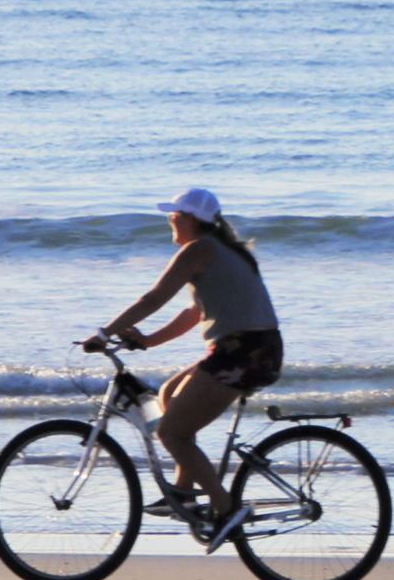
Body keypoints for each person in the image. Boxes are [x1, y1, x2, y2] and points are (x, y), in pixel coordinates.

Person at [91, 187, 283, 549]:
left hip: (244, 352)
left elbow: (155, 297)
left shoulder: (198, 250)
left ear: (192, 219)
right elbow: (193, 313)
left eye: (175, 215)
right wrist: (147, 341)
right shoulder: (222, 251)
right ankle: (184, 493)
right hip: (247, 348)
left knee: (172, 432)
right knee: (167, 395)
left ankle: (225, 507)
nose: (170, 220)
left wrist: (104, 333)